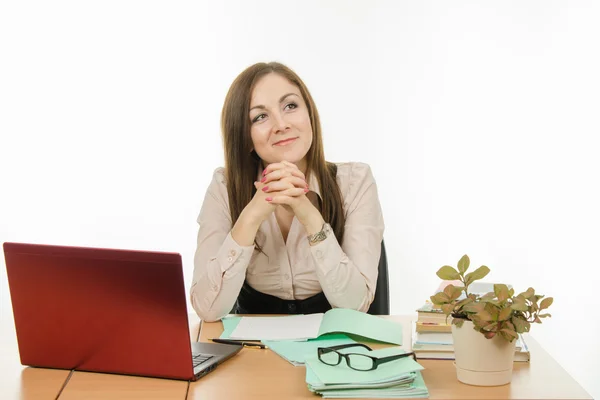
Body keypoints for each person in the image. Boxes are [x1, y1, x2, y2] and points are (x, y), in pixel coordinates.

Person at [191, 62, 384, 322]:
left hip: (334, 345)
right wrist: (252, 215)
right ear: (245, 136)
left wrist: (307, 212)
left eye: (290, 106)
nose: (281, 125)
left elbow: (355, 305)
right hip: (254, 349)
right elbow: (207, 309)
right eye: (260, 116)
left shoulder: (355, 181)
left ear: (309, 115)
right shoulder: (224, 186)